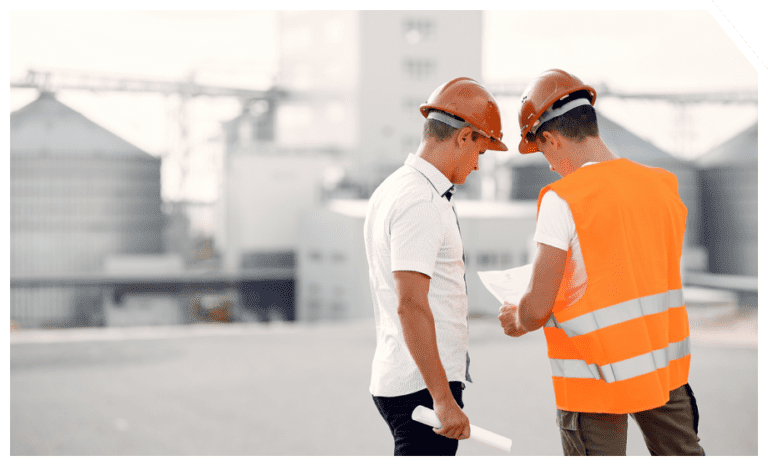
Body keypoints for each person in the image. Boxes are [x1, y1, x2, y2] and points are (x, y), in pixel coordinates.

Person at [498, 69, 705, 456]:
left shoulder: (564, 199)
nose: (549, 165)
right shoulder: (663, 187)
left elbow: (538, 308)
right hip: (664, 368)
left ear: (551, 139)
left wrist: (518, 317)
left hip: (593, 378)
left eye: (543, 152)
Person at [364, 77, 508, 455]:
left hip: (411, 377)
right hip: (422, 386)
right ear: (464, 137)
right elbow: (411, 303)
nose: (478, 165)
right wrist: (442, 398)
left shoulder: (396, 188)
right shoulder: (421, 202)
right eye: (482, 150)